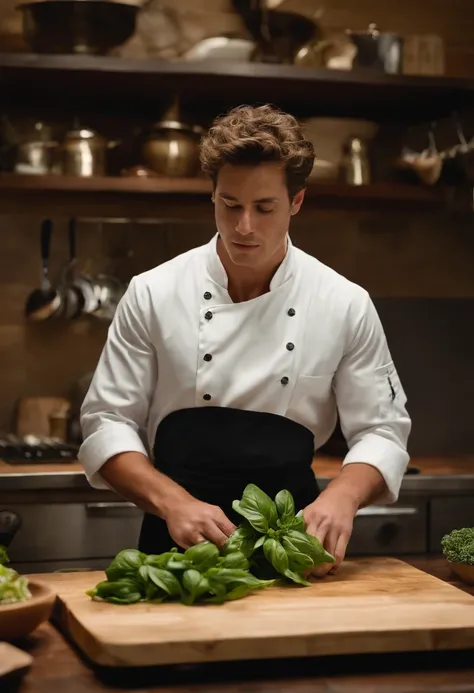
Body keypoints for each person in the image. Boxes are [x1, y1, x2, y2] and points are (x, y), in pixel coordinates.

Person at [79, 104, 411, 577]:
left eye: (264, 207)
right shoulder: (153, 291)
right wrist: (172, 503)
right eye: (229, 205)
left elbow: (382, 430)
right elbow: (106, 421)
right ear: (212, 195)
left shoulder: (343, 302)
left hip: (293, 543)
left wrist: (341, 497)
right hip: (177, 546)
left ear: (297, 201)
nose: (244, 227)